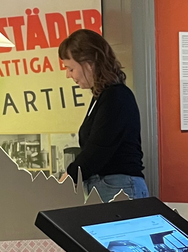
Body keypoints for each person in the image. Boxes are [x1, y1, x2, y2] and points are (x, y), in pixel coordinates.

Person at [59, 29, 148, 201]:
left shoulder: (116, 96)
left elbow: (96, 151)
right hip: (107, 187)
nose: (68, 75)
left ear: (89, 64)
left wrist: (65, 180)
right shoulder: (102, 97)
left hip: (117, 188)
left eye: (71, 68)